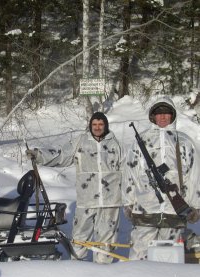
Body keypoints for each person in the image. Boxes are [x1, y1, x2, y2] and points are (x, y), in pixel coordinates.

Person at [26, 112, 122, 263]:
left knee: (107, 240)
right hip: (86, 200)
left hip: (110, 202)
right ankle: (77, 270)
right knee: (80, 238)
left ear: (106, 126)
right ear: (90, 126)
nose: (97, 128)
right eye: (94, 125)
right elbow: (62, 155)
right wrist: (39, 155)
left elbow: (127, 171)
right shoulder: (81, 141)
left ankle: (105, 271)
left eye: (100, 125)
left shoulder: (115, 144)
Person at [122, 96, 200, 260]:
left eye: (166, 112)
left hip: (175, 210)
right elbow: (130, 173)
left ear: (172, 115)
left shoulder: (184, 141)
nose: (163, 116)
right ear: (153, 116)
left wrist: (195, 205)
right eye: (158, 113)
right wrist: (128, 202)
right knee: (139, 256)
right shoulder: (141, 141)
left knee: (169, 258)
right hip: (145, 209)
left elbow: (194, 176)